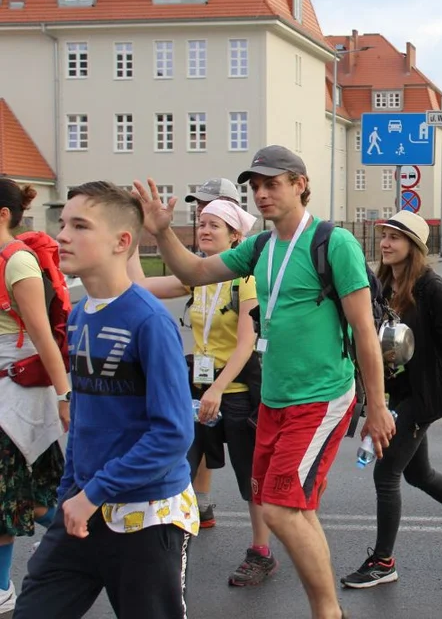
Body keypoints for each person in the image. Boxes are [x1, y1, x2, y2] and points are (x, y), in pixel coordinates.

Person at [133, 146, 395, 619]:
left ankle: (328, 612)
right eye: (255, 185)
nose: (261, 193)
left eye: (272, 183)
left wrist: (376, 406)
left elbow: (363, 332)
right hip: (274, 397)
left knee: (276, 508)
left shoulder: (333, 243)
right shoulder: (259, 248)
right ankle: (328, 610)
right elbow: (193, 272)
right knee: (295, 508)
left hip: (321, 396)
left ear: (300, 183)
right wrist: (163, 231)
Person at [15, 182, 195, 618]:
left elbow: (173, 434)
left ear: (122, 242)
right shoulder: (80, 314)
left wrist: (94, 491)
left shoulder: (149, 321)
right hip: (82, 509)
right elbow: (84, 418)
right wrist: (71, 492)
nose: (62, 236)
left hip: (145, 517)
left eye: (80, 226)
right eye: (63, 224)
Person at [340, 211, 442, 590]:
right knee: (417, 473)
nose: (387, 243)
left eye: (396, 237)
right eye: (385, 236)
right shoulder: (379, 284)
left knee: (387, 472)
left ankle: (383, 561)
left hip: (424, 394)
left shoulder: (429, 286)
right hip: (398, 391)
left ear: (414, 246)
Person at [128, 199, 277, 586]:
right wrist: (132, 236)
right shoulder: (196, 275)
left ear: (236, 237)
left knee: (251, 479)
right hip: (199, 389)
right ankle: (169, 546)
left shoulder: (246, 279)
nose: (205, 230)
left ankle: (261, 552)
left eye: (215, 225)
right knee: (178, 465)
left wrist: (218, 389)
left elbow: (247, 343)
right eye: (202, 223)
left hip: (237, 392)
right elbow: (139, 287)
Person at [0, 182, 70, 614]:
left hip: (16, 397)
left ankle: (88, 537)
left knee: (13, 497)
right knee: (16, 496)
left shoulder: (19, 263)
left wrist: (65, 395)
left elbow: (43, 336)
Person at [179, 177, 243, 528]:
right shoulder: (200, 268)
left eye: (210, 209)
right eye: (199, 210)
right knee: (197, 438)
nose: (202, 214)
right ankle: (198, 503)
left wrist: (220, 386)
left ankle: (265, 539)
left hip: (242, 382)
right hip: (205, 373)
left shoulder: (244, 271)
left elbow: (249, 340)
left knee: (248, 460)